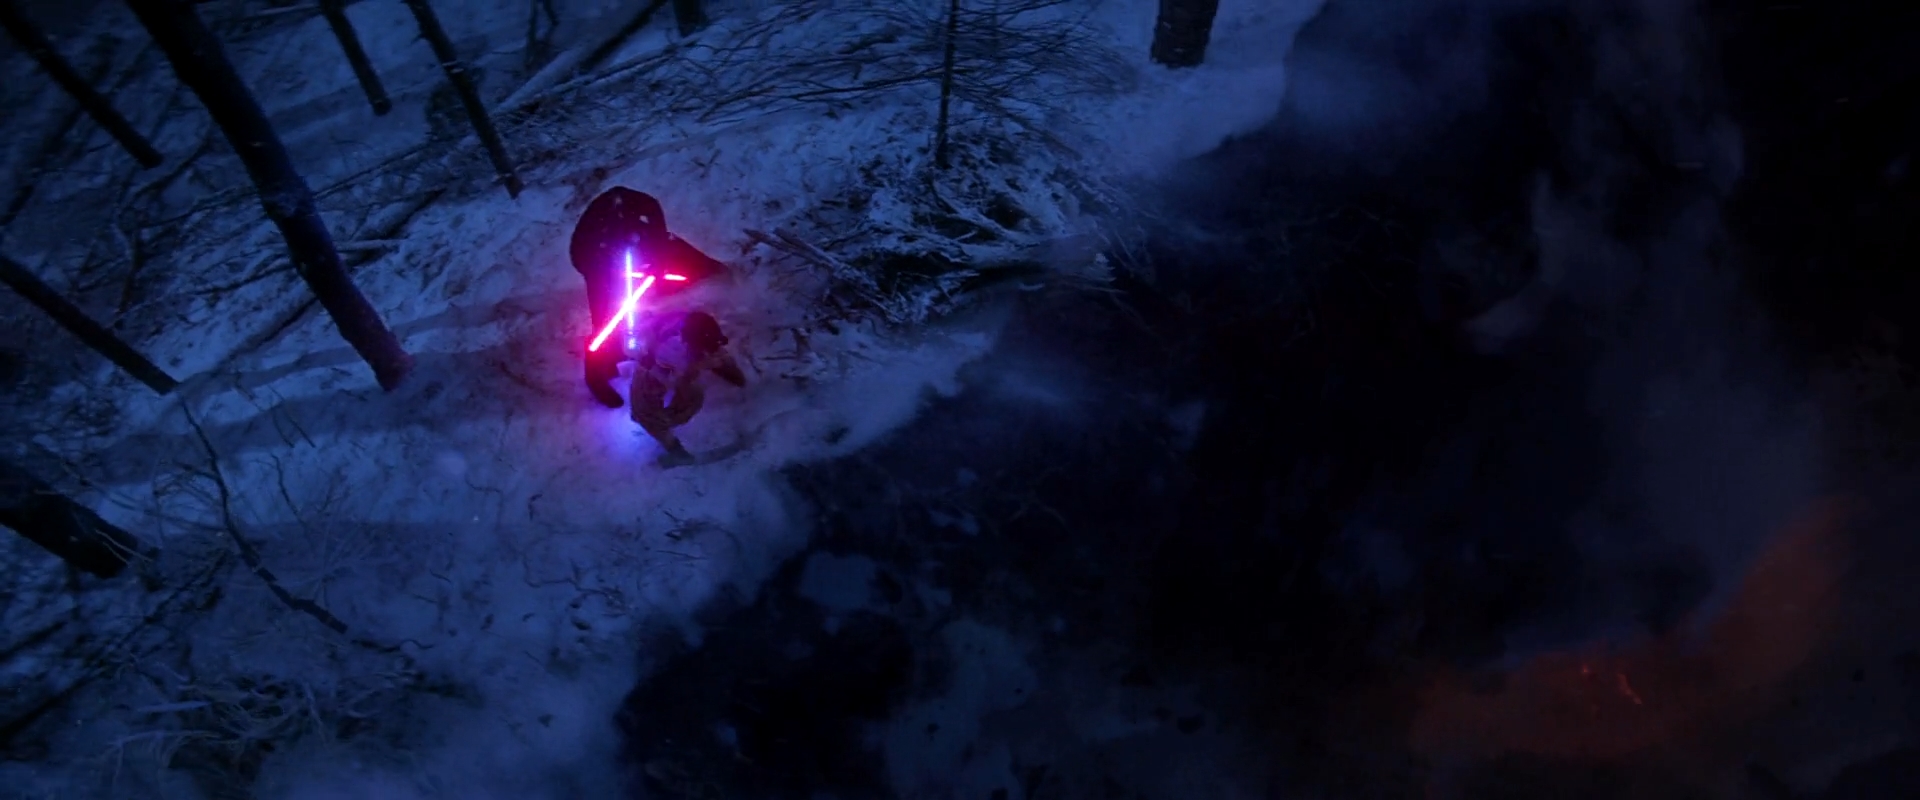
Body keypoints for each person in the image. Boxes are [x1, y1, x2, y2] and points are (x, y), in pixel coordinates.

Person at [569, 186, 730, 407]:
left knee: (688, 270)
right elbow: (587, 262)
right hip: (597, 261)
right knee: (605, 324)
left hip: (635, 242)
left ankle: (705, 340)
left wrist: (660, 268)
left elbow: (669, 247)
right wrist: (613, 279)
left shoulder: (651, 222)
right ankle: (597, 372)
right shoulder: (590, 248)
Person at [629, 310, 748, 466]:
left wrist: (732, 373)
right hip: (652, 374)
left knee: (695, 396)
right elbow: (675, 379)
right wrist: (697, 367)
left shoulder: (695, 327)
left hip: (676, 359)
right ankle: (675, 449)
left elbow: (713, 347)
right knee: (648, 413)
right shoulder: (670, 351)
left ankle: (663, 419)